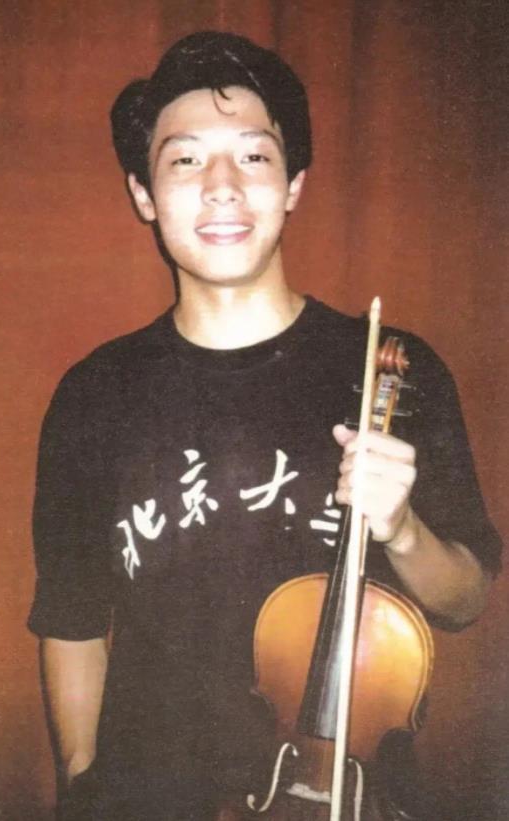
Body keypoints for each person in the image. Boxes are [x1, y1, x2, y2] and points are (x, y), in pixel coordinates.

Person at [27, 31, 502, 821]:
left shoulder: (389, 369)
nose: (222, 186)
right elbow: (71, 620)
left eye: (253, 156)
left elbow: (466, 597)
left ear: (293, 185)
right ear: (144, 194)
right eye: (185, 160)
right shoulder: (93, 394)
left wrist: (402, 529)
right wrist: (82, 783)